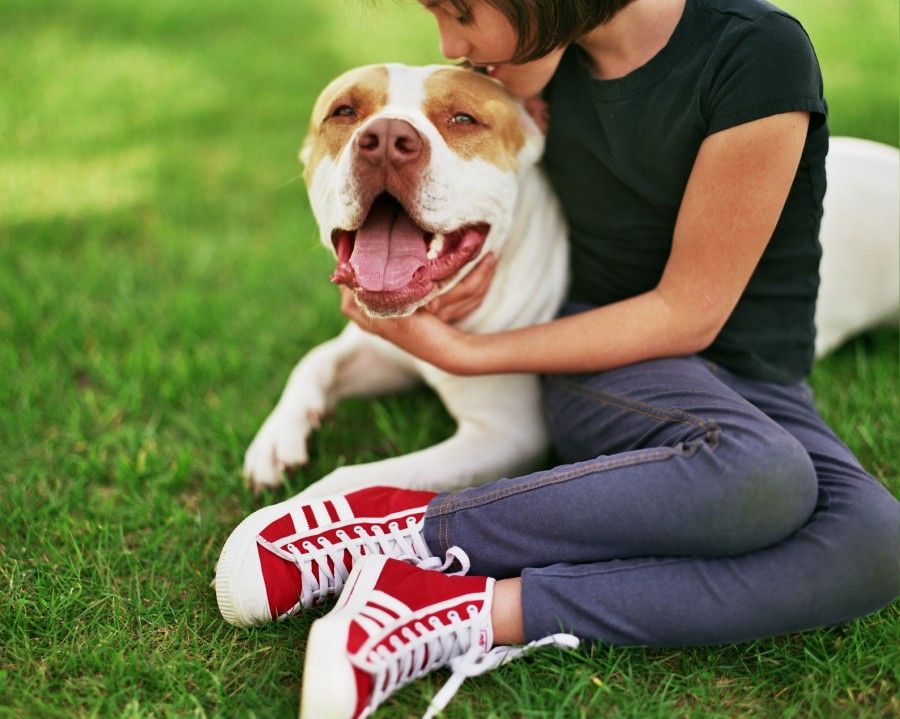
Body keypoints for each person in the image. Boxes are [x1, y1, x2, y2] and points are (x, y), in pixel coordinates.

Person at [214, 2, 900, 717]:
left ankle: (447, 593)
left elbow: (690, 311)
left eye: (463, 10)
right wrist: (454, 269)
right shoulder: (524, 66)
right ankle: (404, 537)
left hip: (750, 371)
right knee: (765, 472)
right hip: (608, 361)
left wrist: (470, 348)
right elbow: (485, 199)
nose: (450, 43)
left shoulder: (750, 53)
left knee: (875, 542)